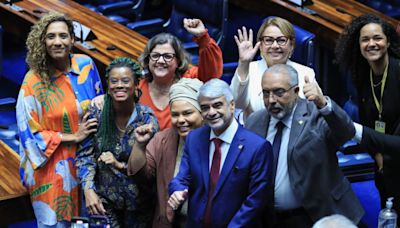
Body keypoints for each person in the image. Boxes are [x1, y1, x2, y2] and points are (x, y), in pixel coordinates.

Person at [245, 64, 364, 227]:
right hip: (270, 219)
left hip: (316, 215)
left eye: (279, 92)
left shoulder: (315, 114)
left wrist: (323, 103)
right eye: (266, 93)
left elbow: (345, 132)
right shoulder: (255, 121)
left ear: (296, 91)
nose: (271, 100)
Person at [16, 12, 103, 226]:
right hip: (52, 167)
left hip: (88, 163)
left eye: (63, 36)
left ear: (72, 39)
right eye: (51, 36)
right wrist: (73, 136)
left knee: (88, 220)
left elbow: (99, 106)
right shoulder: (33, 81)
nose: (58, 42)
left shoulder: (86, 65)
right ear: (43, 41)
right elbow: (29, 135)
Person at [168, 79, 272, 227]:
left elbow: (256, 200)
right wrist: (178, 190)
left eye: (217, 105)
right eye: (205, 107)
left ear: (232, 105)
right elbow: (182, 178)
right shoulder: (195, 138)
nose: (211, 112)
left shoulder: (257, 147)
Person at [76, 57, 159, 227]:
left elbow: (150, 169)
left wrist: (119, 164)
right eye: (114, 81)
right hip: (104, 199)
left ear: (136, 85)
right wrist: (88, 189)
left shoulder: (146, 118)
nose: (119, 85)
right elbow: (85, 156)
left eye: (125, 81)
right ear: (108, 84)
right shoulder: (96, 113)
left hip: (139, 203)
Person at [335, 14, 400, 217]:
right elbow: (369, 120)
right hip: (384, 167)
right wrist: (377, 153)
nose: (372, 44)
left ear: (388, 41)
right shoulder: (364, 75)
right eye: (365, 39)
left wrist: (356, 132)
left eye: (377, 38)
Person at [127, 78, 204, 228]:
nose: (181, 120)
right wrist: (139, 145)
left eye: (187, 113)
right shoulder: (163, 139)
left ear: (202, 113)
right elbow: (140, 175)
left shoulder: (215, 140)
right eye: (175, 115)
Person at [138, 18, 222, 130]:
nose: (161, 61)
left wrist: (203, 37)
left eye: (168, 56)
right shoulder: (137, 87)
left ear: (178, 61)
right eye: (155, 56)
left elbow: (212, 75)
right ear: (148, 60)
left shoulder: (190, 81)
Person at [230, 16, 316, 119]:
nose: (275, 46)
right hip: (254, 132)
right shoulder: (249, 69)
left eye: (281, 40)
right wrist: (244, 63)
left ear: (292, 46)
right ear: (260, 45)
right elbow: (236, 103)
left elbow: (313, 115)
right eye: (269, 40)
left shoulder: (306, 74)